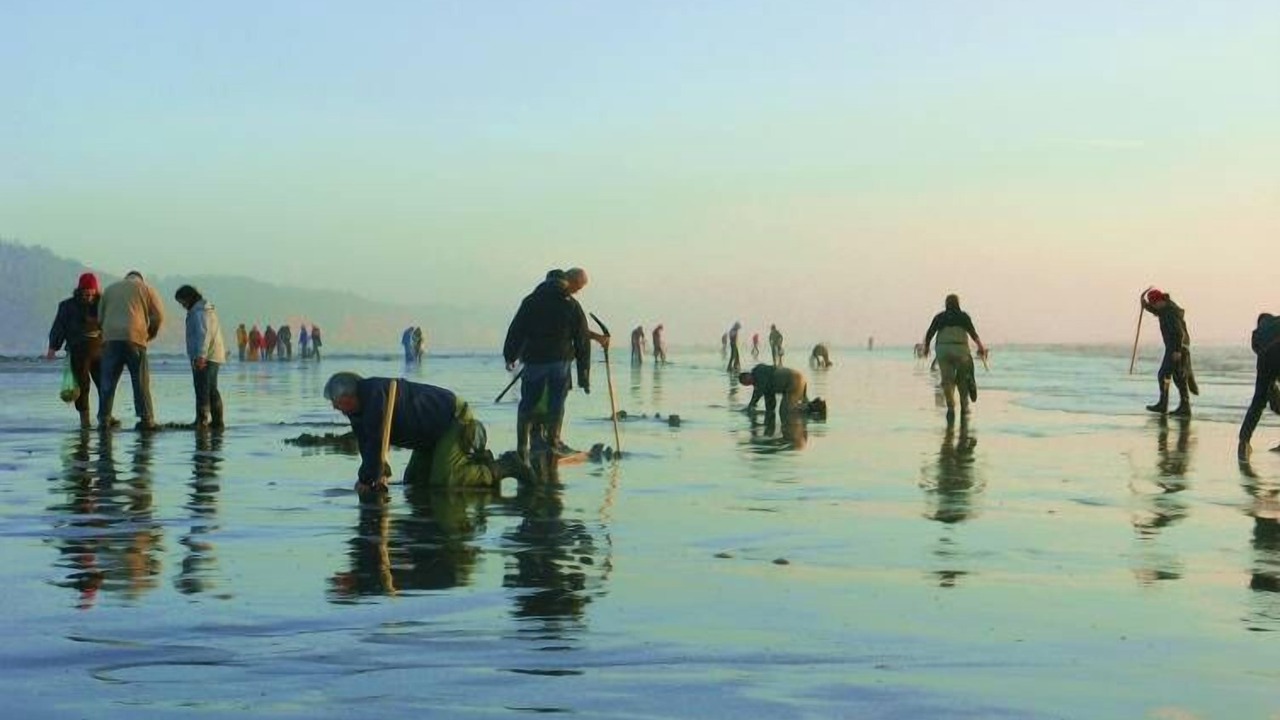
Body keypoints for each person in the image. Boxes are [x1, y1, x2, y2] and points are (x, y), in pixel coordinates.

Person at [324, 372, 530, 495]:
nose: (334, 407)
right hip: (426, 437)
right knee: (415, 483)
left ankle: (505, 466)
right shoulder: (356, 411)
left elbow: (377, 440)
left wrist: (367, 478)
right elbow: (367, 444)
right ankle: (471, 464)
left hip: (452, 420)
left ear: (349, 395)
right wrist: (377, 475)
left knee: (446, 480)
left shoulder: (375, 395)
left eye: (336, 402)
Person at [503, 268, 592, 459]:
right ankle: (553, 442)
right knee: (556, 402)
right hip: (560, 360)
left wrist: (510, 355)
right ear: (565, 281)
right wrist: (584, 374)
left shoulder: (531, 301)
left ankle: (522, 446)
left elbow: (517, 329)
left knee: (528, 402)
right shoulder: (571, 304)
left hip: (534, 360)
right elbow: (582, 340)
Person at [97, 270, 164, 431]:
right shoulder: (146, 289)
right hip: (135, 338)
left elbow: (100, 318)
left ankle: (104, 418)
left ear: (125, 278)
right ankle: (146, 418)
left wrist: (107, 333)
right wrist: (150, 333)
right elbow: (158, 316)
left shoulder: (110, 289)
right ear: (140, 279)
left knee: (108, 381)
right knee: (140, 381)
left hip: (111, 339)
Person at [46, 272, 105, 428]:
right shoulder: (67, 306)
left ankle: (105, 417)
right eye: (86, 292)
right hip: (78, 352)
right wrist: (53, 347)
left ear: (96, 291)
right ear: (80, 290)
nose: (89, 296)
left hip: (100, 351)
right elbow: (59, 327)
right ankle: (85, 421)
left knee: (105, 385)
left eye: (91, 292)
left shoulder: (103, 305)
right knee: (82, 387)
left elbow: (111, 324)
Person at [921, 293, 988, 423]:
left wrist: (926, 348)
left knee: (947, 380)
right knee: (962, 379)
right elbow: (973, 333)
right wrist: (981, 347)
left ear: (946, 304)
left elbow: (930, 333)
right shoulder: (963, 316)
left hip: (943, 350)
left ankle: (951, 408)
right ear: (958, 304)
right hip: (960, 349)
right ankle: (964, 405)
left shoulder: (940, 317)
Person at [175, 285, 226, 429]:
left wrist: (200, 356)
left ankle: (202, 420)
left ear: (188, 298)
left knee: (202, 387)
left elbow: (203, 335)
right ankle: (217, 421)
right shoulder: (204, 310)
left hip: (206, 356)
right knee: (211, 388)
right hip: (213, 354)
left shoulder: (199, 312)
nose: (182, 305)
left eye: (182, 302)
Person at [1140, 288, 1197, 416]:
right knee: (1177, 376)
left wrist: (1177, 350)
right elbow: (1157, 311)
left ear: (1160, 300)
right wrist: (1146, 306)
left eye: (1154, 303)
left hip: (1177, 347)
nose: (1154, 306)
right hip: (1177, 347)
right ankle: (1181, 406)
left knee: (1166, 375)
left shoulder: (1170, 312)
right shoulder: (1165, 309)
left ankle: (1166, 404)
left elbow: (1178, 332)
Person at [1238, 313, 1280, 461]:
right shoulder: (1276, 322)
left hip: (1265, 360)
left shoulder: (1257, 334)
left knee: (1257, 402)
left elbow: (1260, 351)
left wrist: (1270, 387)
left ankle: (1244, 442)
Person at [739, 363, 810, 420]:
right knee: (802, 404)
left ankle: (806, 417)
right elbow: (770, 402)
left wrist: (751, 406)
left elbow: (758, 393)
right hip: (798, 377)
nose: (748, 383)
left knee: (785, 411)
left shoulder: (759, 373)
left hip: (792, 380)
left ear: (748, 375)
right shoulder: (765, 382)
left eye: (746, 381)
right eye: (746, 384)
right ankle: (810, 411)